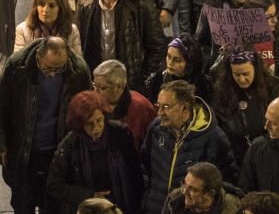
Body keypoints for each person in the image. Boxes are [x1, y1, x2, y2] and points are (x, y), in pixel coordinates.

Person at [0, 37, 91, 214]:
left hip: (58, 152)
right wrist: (0, 146)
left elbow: (86, 110)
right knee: (23, 203)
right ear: (38, 56)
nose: (53, 74)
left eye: (59, 69)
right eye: (48, 68)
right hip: (24, 151)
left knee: (55, 205)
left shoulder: (78, 71)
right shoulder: (17, 66)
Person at [76, 0, 167, 93]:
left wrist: (141, 80)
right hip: (96, 86)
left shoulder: (142, 5)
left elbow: (157, 47)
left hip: (129, 88)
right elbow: (79, 47)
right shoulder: (84, 5)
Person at [142, 80, 236, 214]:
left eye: (166, 107)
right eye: (159, 106)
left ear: (185, 108)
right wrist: (147, 200)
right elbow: (144, 168)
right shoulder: (156, 128)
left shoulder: (214, 138)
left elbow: (223, 183)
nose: (159, 112)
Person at [46, 90, 144, 212]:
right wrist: (91, 196)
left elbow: (135, 174)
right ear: (80, 124)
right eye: (90, 124)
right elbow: (54, 185)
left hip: (121, 206)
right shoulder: (70, 145)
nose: (96, 128)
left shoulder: (120, 134)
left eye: (99, 120)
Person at [92, 59, 158, 150]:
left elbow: (153, 145)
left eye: (102, 88)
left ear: (119, 87)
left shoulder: (142, 107)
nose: (95, 92)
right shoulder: (92, 105)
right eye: (94, 86)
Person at [14, 0, 83, 55]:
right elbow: (17, 64)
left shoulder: (72, 30)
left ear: (61, 9)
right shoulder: (22, 30)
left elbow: (79, 64)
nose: (45, 10)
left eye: (52, 6)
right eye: (41, 4)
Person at [163, 161, 242, 214]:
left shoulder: (233, 210)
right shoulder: (174, 200)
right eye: (184, 184)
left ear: (210, 193)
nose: (184, 192)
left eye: (192, 189)